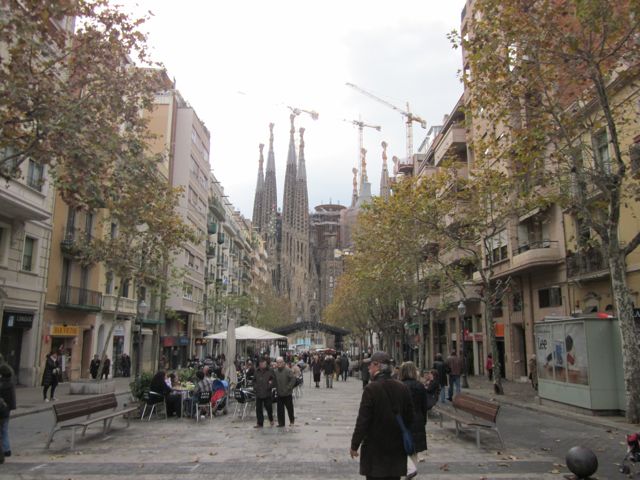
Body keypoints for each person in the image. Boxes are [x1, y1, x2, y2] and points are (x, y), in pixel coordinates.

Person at [350, 351, 414, 480]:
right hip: (396, 448)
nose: (368, 368)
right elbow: (410, 417)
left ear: (377, 365)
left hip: (375, 450)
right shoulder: (402, 387)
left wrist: (354, 445)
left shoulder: (371, 389)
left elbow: (363, 421)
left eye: (370, 365)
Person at [400, 361, 428, 471]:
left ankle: (407, 471)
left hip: (403, 421)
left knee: (403, 446)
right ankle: (412, 470)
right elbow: (424, 405)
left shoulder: (399, 385)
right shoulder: (420, 386)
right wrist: (423, 420)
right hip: (417, 419)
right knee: (414, 449)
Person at [0, 364, 16, 463]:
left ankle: (4, 450)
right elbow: (12, 398)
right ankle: (7, 449)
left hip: (1, 410)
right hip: (7, 410)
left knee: (2, 431)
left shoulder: (2, 384)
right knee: (5, 430)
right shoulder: (10, 382)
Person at [273, 356, 296, 427]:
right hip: (279, 393)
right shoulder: (275, 371)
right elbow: (274, 380)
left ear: (283, 362)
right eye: (278, 362)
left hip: (287, 393)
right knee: (280, 409)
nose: (279, 364)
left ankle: (292, 421)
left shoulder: (288, 370)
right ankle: (281, 423)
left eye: (280, 362)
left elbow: (293, 379)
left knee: (289, 408)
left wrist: (288, 387)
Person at [253, 359, 275, 428]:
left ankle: (271, 419)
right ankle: (260, 423)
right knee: (258, 409)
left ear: (266, 364)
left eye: (263, 364)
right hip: (259, 392)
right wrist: (255, 387)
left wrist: (269, 385)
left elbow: (273, 380)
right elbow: (254, 380)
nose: (262, 365)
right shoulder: (256, 371)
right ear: (259, 364)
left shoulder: (270, 370)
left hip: (267, 392)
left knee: (269, 407)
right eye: (261, 364)